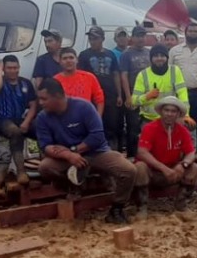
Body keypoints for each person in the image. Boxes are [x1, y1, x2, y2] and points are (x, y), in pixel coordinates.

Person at [34, 78, 135, 224]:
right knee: (45, 167)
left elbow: (97, 136)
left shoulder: (84, 107)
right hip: (66, 159)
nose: (40, 103)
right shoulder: (42, 117)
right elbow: (46, 146)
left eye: (44, 98)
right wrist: (68, 156)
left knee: (128, 170)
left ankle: (117, 208)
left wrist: (74, 150)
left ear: (57, 96)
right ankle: (74, 185)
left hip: (96, 152)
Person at [134, 96, 197, 213]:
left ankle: (181, 204)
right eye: (166, 110)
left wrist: (183, 165)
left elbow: (191, 152)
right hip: (153, 172)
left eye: (173, 111)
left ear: (178, 114)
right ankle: (142, 207)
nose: (169, 114)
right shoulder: (149, 128)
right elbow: (142, 152)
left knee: (194, 168)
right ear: (161, 112)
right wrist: (163, 168)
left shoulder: (182, 130)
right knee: (140, 167)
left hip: (173, 171)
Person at [0, 54, 39, 188]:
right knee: (16, 133)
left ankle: (46, 166)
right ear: (4, 69)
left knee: (42, 130)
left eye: (15, 67)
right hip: (3, 120)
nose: (13, 71)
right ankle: (21, 172)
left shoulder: (25, 83)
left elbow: (33, 105)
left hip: (22, 118)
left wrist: (27, 122)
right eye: (9, 68)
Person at [169, 22, 197, 147]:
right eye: (190, 31)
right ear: (185, 33)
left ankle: (196, 150)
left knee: (196, 122)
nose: (193, 33)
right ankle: (176, 148)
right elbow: (169, 71)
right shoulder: (174, 51)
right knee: (174, 120)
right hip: (177, 92)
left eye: (196, 31)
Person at [78, 26, 123, 150]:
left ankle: (112, 151)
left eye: (95, 38)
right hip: (91, 96)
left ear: (102, 39)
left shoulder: (111, 54)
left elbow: (115, 74)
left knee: (111, 125)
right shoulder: (83, 55)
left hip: (110, 95)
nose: (93, 41)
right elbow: (80, 76)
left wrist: (119, 95)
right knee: (93, 123)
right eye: (91, 38)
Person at [132, 45, 191, 124]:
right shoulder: (143, 75)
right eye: (156, 56)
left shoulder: (175, 71)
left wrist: (185, 114)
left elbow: (183, 95)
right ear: (151, 58)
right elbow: (134, 101)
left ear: (167, 58)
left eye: (162, 56)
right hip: (149, 120)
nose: (159, 58)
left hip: (170, 120)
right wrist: (146, 96)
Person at [118, 25, 153, 158]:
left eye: (143, 36)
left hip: (148, 97)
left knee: (148, 127)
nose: (141, 39)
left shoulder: (149, 52)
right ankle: (132, 155)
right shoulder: (126, 54)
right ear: (132, 38)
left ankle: (147, 154)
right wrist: (128, 96)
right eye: (138, 36)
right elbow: (124, 76)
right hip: (133, 94)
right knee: (133, 127)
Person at [54, 47, 104, 113]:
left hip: (85, 119)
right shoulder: (55, 80)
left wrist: (98, 118)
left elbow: (100, 100)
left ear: (77, 60)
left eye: (71, 57)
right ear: (60, 62)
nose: (68, 61)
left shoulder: (89, 77)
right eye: (65, 58)